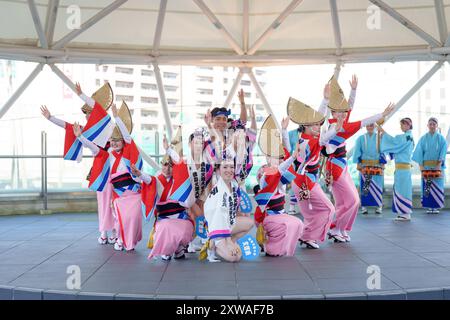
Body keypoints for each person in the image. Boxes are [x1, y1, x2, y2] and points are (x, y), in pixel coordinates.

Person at [319, 75, 395, 242]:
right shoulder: (339, 126)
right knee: (352, 201)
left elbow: (350, 106)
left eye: (345, 111)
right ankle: (335, 227)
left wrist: (353, 90)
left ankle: (341, 228)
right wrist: (382, 113)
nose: (346, 111)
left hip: (341, 166)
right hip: (334, 168)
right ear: (334, 112)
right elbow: (364, 121)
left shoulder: (341, 121)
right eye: (342, 110)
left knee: (348, 201)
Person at [41, 83, 117, 245]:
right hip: (100, 167)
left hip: (115, 167)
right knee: (103, 200)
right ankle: (104, 231)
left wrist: (81, 94)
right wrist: (51, 118)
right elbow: (68, 126)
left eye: (89, 113)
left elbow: (95, 105)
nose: (87, 117)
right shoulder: (86, 130)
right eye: (86, 114)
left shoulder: (108, 123)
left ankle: (116, 230)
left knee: (115, 200)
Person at [75, 101, 145, 250]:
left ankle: (126, 239)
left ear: (123, 142)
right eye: (112, 140)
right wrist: (80, 137)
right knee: (119, 219)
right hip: (118, 195)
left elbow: (127, 137)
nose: (114, 143)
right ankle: (120, 238)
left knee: (133, 219)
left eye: (117, 140)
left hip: (133, 194)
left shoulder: (128, 150)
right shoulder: (108, 155)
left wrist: (116, 117)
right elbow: (94, 148)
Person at [284, 98, 342, 248]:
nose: (318, 126)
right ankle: (308, 236)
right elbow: (323, 140)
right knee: (329, 209)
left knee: (311, 213)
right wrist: (335, 129)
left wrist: (326, 100)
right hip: (306, 183)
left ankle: (307, 237)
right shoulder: (311, 141)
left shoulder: (303, 138)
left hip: (300, 182)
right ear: (306, 126)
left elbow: (319, 131)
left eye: (318, 124)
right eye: (315, 124)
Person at [133, 134, 196, 260]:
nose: (167, 168)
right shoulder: (157, 179)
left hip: (181, 218)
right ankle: (166, 249)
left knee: (185, 228)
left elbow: (180, 163)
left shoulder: (180, 182)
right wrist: (139, 174)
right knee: (165, 227)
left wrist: (169, 149)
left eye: (170, 166)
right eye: (164, 164)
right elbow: (149, 180)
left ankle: (179, 247)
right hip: (164, 219)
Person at [253, 115, 303, 256]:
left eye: (279, 157)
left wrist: (284, 131)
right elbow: (282, 166)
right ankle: (269, 246)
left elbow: (288, 163)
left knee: (298, 224)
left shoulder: (280, 176)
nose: (279, 159)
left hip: (279, 216)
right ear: (267, 158)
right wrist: (293, 157)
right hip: (268, 218)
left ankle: (276, 246)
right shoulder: (265, 173)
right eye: (275, 156)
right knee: (286, 228)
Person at [202, 155, 254, 263]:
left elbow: (234, 211)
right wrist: (228, 242)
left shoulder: (234, 185)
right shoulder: (219, 191)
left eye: (231, 167)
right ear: (218, 170)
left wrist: (231, 241)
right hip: (216, 228)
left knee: (249, 222)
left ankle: (230, 241)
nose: (229, 170)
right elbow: (217, 219)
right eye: (225, 167)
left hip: (227, 223)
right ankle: (213, 245)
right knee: (234, 257)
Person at [378, 118, 415, 221]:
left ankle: (405, 213)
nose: (401, 127)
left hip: (403, 169)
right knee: (401, 189)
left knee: (403, 190)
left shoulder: (407, 137)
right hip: (402, 168)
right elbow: (396, 145)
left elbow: (394, 143)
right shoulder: (408, 137)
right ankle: (402, 212)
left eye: (402, 124)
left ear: (408, 125)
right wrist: (383, 134)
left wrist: (383, 133)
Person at [412, 117, 447, 214]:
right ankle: (428, 206)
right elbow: (419, 152)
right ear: (427, 126)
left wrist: (439, 164)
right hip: (426, 167)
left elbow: (443, 151)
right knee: (427, 186)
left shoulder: (441, 139)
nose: (432, 126)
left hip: (437, 166)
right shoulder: (423, 138)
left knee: (438, 186)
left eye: (434, 124)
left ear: (437, 126)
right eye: (430, 124)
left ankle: (436, 207)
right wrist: (421, 167)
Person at [353, 123, 386, 215]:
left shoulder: (380, 138)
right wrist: (358, 163)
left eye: (371, 125)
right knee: (365, 185)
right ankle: (364, 206)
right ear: (365, 127)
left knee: (377, 185)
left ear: (375, 126)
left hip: (377, 164)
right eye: (368, 125)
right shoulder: (360, 138)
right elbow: (357, 151)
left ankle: (379, 206)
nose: (370, 127)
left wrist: (383, 162)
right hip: (364, 164)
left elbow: (383, 151)